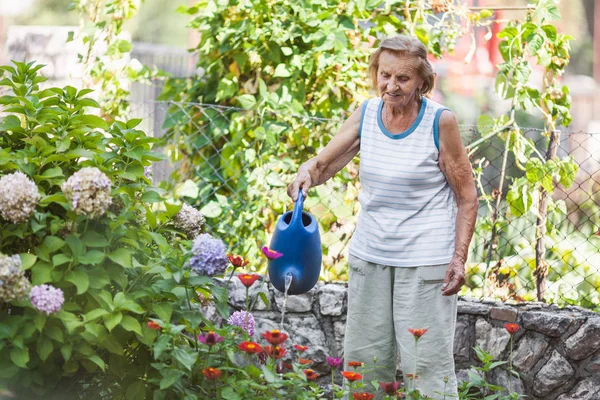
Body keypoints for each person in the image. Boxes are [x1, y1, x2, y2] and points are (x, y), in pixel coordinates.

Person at [287, 35, 478, 399]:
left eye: (403, 78)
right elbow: (323, 163)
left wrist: (459, 257)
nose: (391, 85)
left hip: (425, 262)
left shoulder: (441, 122)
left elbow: (468, 197)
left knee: (426, 369)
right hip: (370, 257)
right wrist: (305, 174)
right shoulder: (367, 113)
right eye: (385, 75)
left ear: (422, 81)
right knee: (363, 365)